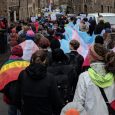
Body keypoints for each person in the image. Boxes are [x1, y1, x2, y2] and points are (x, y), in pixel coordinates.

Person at [14, 50, 63, 115]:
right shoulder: (50, 78)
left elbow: (16, 97)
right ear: (45, 61)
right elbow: (56, 101)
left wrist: (23, 108)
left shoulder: (23, 75)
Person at [73, 43, 115, 115]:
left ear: (93, 56)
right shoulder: (113, 74)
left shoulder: (84, 77)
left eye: (89, 53)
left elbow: (78, 103)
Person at [0, 45, 29, 115]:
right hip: (22, 95)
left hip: (9, 96)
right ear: (22, 54)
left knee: (11, 110)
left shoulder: (5, 65)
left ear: (12, 53)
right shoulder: (27, 64)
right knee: (21, 110)